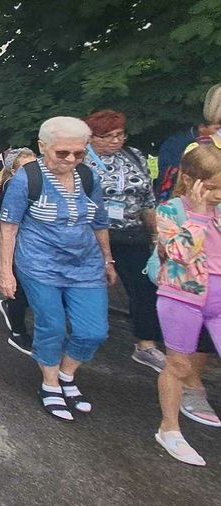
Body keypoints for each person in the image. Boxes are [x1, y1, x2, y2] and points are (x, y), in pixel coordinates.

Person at [0, 116, 116, 423]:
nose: (72, 160)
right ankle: (49, 383)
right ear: (42, 147)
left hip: (86, 265)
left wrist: (108, 260)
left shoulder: (89, 178)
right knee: (52, 325)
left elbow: (100, 223)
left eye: (79, 153)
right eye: (62, 153)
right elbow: (8, 229)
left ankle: (66, 374)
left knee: (94, 331)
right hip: (40, 265)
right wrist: (6, 273)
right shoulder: (27, 179)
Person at [151, 142, 221, 465]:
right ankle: (169, 429)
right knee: (179, 365)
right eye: (212, 186)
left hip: (218, 297)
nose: (218, 193)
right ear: (192, 180)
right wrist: (198, 213)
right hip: (182, 296)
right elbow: (178, 254)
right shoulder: (171, 210)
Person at [83, 110, 165, 371]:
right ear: (92, 138)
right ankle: (82, 336)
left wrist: (155, 234)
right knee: (89, 286)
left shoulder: (134, 156)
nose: (115, 141)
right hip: (91, 234)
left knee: (144, 287)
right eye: (107, 137)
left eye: (119, 135)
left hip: (131, 232)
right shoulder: (80, 160)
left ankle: (146, 344)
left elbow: (147, 200)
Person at [0, 148, 38, 355]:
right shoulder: (7, 188)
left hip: (31, 246)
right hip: (9, 242)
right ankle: (18, 332)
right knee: (17, 290)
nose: (34, 171)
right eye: (27, 167)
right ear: (13, 170)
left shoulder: (39, 185)